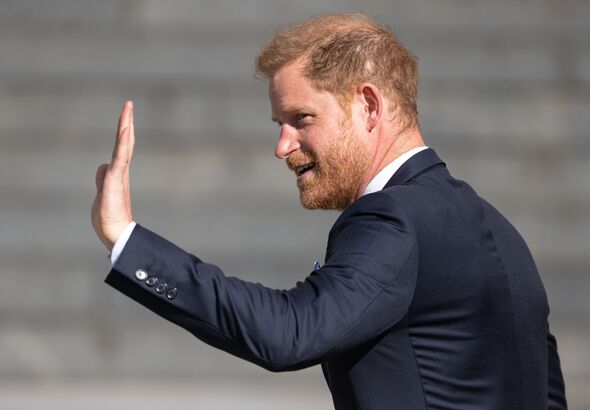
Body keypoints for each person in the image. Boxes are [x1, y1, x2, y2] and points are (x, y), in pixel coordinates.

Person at [92, 13, 567, 409]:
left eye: (302, 119)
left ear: (368, 106)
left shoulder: (393, 219)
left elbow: (291, 331)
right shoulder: (500, 230)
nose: (282, 146)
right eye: (280, 124)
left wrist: (126, 239)